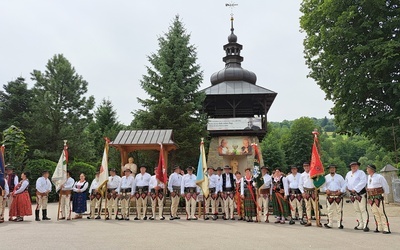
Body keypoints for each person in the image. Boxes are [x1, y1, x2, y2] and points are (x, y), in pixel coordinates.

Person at [366, 164, 391, 234]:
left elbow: (385, 185)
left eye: (368, 169)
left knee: (381, 212)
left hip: (378, 197)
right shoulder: (368, 177)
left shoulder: (379, 177)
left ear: (371, 169)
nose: (367, 170)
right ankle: (379, 227)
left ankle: (386, 228)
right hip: (371, 197)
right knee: (375, 212)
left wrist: (386, 194)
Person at [345, 161, 369, 232]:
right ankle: (360, 224)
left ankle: (365, 224)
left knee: (362, 209)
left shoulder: (361, 173)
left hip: (360, 193)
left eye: (355, 166)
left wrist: (355, 189)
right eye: (352, 166)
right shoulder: (348, 173)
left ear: (358, 166)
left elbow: (363, 182)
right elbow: (346, 181)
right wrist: (346, 188)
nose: (353, 167)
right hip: (352, 194)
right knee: (357, 209)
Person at [321, 164, 346, 229]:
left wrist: (341, 191)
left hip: (338, 195)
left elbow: (344, 185)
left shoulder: (340, 177)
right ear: (329, 169)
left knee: (339, 210)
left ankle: (339, 224)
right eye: (331, 168)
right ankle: (330, 223)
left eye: (333, 168)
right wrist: (326, 190)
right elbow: (323, 186)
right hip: (330, 195)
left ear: (335, 169)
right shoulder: (326, 177)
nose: (332, 169)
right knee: (329, 210)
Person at [299, 162, 320, 227]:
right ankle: (309, 221)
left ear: (309, 166)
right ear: (303, 167)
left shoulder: (313, 173)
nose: (306, 167)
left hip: (313, 191)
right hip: (306, 191)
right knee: (308, 207)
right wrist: (302, 192)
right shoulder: (302, 175)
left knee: (315, 207)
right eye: (305, 166)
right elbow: (300, 184)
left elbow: (318, 181)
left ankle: (318, 221)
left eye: (307, 166)